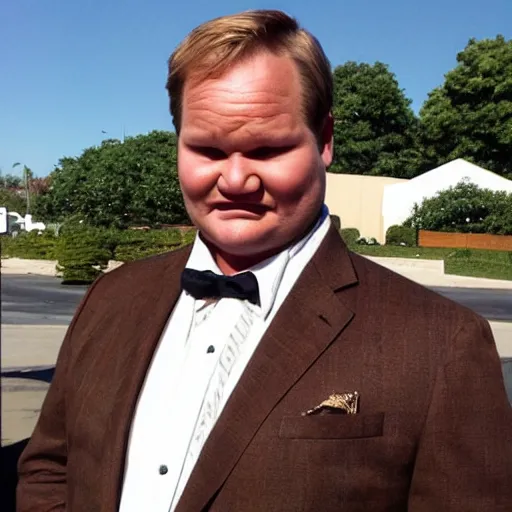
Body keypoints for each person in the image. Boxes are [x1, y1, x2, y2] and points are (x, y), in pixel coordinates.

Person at [17, 9, 512, 512]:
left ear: (324, 140)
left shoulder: (441, 344)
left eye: (267, 149)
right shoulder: (111, 298)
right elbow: (51, 470)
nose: (235, 181)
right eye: (207, 149)